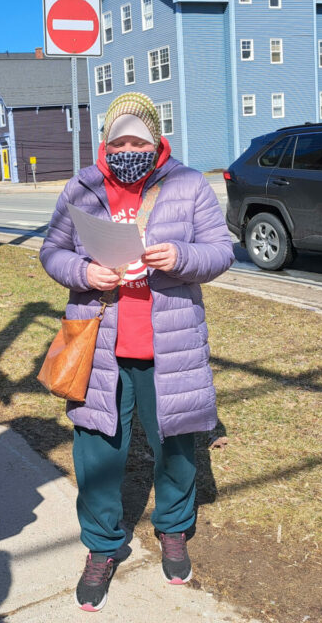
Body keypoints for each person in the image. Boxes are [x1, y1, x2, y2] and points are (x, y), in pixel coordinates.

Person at [39, 92, 234, 612]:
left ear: (156, 141)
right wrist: (84, 272)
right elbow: (51, 251)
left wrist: (182, 255)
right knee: (98, 450)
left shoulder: (188, 184)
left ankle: (173, 528)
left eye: (138, 141)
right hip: (100, 344)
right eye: (119, 140)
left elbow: (222, 249)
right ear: (106, 142)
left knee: (177, 443)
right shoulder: (82, 189)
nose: (129, 149)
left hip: (169, 342)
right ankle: (102, 547)